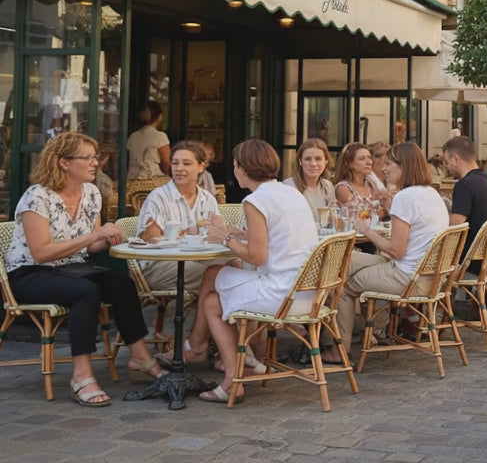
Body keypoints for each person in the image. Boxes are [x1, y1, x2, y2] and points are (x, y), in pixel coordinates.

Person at [5, 132, 164, 405]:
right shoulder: (37, 197)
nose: (96, 163)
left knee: (122, 283)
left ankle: (140, 356)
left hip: (72, 268)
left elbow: (89, 248)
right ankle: (81, 376)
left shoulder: (91, 193)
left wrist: (108, 238)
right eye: (88, 158)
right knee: (86, 291)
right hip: (28, 274)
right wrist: (92, 237)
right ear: (64, 162)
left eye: (95, 157)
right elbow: (41, 252)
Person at [195, 139, 319, 403]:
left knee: (211, 293)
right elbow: (278, 236)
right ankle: (234, 364)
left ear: (242, 168)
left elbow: (257, 256)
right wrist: (239, 233)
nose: (234, 170)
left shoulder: (255, 200)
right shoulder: (290, 192)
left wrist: (225, 239)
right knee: (214, 291)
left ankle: (225, 372)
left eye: (234, 165)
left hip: (281, 294)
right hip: (309, 295)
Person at [324, 142, 450, 363]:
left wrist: (366, 231)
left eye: (390, 163)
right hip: (428, 276)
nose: (384, 168)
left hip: (407, 276)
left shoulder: (406, 197)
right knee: (344, 260)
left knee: (343, 286)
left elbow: (396, 250)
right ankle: (363, 333)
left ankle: (339, 349)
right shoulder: (430, 193)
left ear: (404, 166)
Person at [136, 140, 223, 360]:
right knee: (221, 276)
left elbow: (215, 235)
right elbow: (151, 237)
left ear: (201, 166)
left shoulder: (208, 199)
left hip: (195, 265)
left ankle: (199, 343)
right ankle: (200, 344)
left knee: (227, 274)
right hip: (158, 267)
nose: (179, 168)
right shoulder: (159, 197)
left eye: (187, 163)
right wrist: (189, 231)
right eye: (175, 163)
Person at [442, 136, 487, 262]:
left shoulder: (464, 185)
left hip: (466, 260)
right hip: (486, 258)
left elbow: (456, 224)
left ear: (456, 159)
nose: (447, 167)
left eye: (447, 162)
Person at [282, 138, 336, 216]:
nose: (313, 164)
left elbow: (332, 219)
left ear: (326, 162)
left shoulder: (328, 186)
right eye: (308, 159)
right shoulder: (289, 186)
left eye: (318, 159)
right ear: (300, 161)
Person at [334, 142, 390, 211]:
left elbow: (381, 211)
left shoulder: (370, 184)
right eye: (362, 159)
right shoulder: (343, 188)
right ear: (349, 164)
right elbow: (355, 213)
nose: (369, 162)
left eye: (369, 158)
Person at [126, 101, 170, 180]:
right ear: (159, 117)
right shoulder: (160, 136)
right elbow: (166, 163)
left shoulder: (133, 136)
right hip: (152, 179)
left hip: (132, 179)